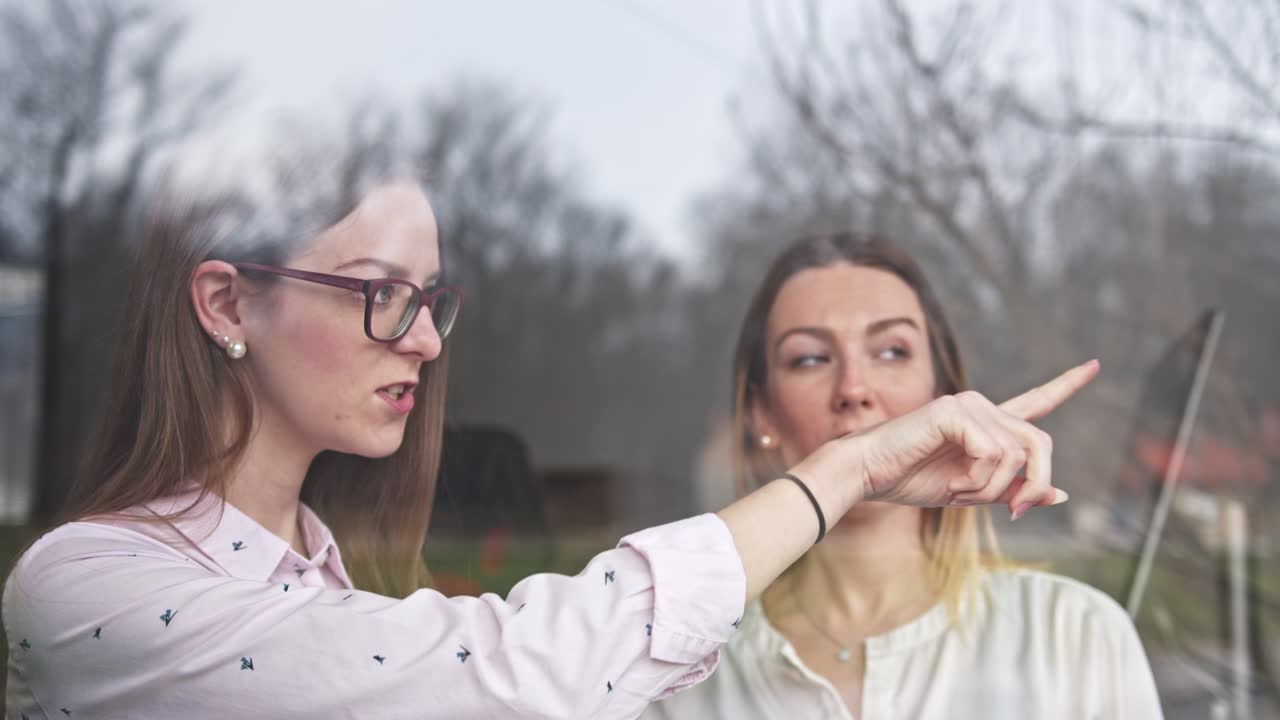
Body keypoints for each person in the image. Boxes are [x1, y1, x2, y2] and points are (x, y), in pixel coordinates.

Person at [4, 168, 1083, 718]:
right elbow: (514, 679)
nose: (423, 339)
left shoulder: (360, 585)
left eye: (429, 298)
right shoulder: (90, 587)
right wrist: (844, 474)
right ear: (228, 304)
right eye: (380, 293)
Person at [642, 233, 1162, 719]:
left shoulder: (1076, 636)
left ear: (944, 397)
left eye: (891, 351)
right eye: (810, 358)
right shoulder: (674, 673)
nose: (853, 387)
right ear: (762, 415)